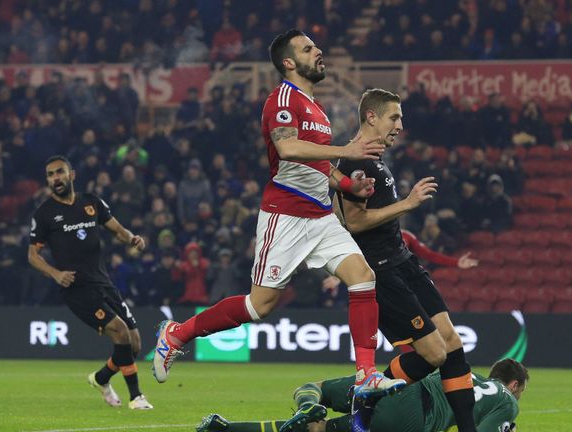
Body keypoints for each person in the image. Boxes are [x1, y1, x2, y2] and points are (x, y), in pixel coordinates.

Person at [152, 29, 404, 400]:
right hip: (285, 216)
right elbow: (286, 148)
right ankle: (178, 333)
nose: (318, 52)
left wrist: (350, 188)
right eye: (308, 49)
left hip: (320, 217)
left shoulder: (316, 107)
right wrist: (347, 151)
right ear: (289, 62)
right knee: (258, 306)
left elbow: (318, 165)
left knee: (363, 278)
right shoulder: (282, 99)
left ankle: (366, 373)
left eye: (317, 46)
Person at [330, 88, 477, 432]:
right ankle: (366, 397)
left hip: (403, 261)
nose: (400, 125)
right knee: (435, 354)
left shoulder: (376, 161)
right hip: (380, 271)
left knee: (452, 343)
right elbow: (354, 221)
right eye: (394, 117)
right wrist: (408, 204)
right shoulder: (354, 162)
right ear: (371, 117)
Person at [27, 156, 152, 410]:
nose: (55, 178)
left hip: (103, 283)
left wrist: (132, 239)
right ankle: (136, 396)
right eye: (50, 175)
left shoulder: (91, 202)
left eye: (60, 172)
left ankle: (101, 379)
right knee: (119, 331)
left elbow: (117, 229)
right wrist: (55, 274)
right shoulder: (44, 214)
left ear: (71, 174)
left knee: (134, 344)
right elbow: (32, 255)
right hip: (76, 288)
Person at [196, 358, 528, 432]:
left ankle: (224, 427)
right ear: (513, 385)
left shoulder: (462, 370)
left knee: (314, 388)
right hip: (412, 417)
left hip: (390, 384)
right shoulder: (506, 401)